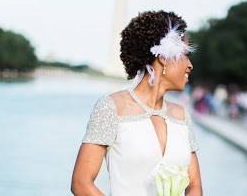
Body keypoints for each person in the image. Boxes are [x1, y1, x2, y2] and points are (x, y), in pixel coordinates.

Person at [71, 11, 203, 196]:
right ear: (163, 57)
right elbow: (81, 183)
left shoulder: (182, 115)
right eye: (185, 55)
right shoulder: (111, 108)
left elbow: (195, 185)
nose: (190, 65)